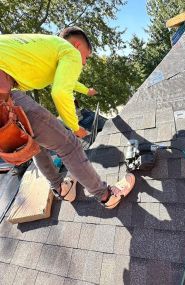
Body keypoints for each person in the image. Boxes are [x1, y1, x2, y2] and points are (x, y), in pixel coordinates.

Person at [0, 27, 135, 209]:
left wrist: (87, 91)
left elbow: (65, 81)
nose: (84, 63)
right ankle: (106, 195)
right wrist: (75, 127)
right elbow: (60, 92)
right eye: (86, 57)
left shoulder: (48, 48)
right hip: (3, 93)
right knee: (69, 144)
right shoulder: (69, 51)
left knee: (34, 142)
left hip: (5, 90)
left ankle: (61, 188)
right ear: (77, 45)